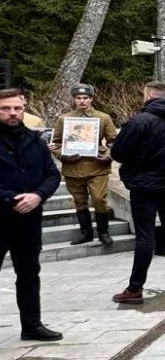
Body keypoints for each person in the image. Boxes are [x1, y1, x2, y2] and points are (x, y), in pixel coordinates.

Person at [109, 82, 165, 304]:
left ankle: (135, 288)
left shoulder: (139, 122)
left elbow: (118, 152)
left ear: (150, 95)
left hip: (144, 185)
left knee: (145, 235)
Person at [0, 89, 63, 341]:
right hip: (1, 215)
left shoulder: (35, 140)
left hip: (29, 219)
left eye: (17, 108)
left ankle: (31, 324)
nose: (13, 113)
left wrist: (38, 195)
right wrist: (9, 198)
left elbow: (52, 174)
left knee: (29, 273)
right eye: (5, 108)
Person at [50, 84, 119, 247]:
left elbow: (114, 141)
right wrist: (63, 155)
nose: (82, 101)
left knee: (98, 199)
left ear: (91, 99)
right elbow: (56, 143)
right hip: (73, 167)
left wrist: (108, 156)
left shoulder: (103, 118)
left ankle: (103, 231)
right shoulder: (64, 119)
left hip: (97, 165)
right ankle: (86, 232)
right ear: (74, 99)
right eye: (78, 98)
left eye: (85, 98)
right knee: (79, 200)